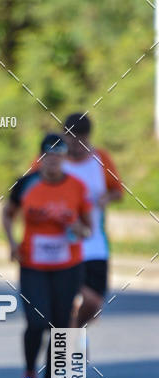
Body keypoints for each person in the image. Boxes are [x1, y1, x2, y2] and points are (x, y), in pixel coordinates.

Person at [2, 134, 92, 378]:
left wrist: (78, 229)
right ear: (40, 158)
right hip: (33, 266)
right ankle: (29, 375)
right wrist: (12, 242)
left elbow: (88, 228)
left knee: (59, 328)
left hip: (67, 267)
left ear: (64, 159)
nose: (53, 161)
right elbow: (8, 213)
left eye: (58, 155)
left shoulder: (77, 187)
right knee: (36, 323)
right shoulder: (26, 184)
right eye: (48, 155)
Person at [62, 112, 123, 330]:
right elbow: (27, 187)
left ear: (89, 137)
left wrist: (106, 197)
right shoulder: (52, 160)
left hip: (94, 244)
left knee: (93, 303)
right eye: (72, 141)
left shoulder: (101, 159)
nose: (77, 147)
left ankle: (72, 334)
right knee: (66, 304)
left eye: (82, 141)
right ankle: (66, 353)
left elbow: (118, 191)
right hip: (62, 245)